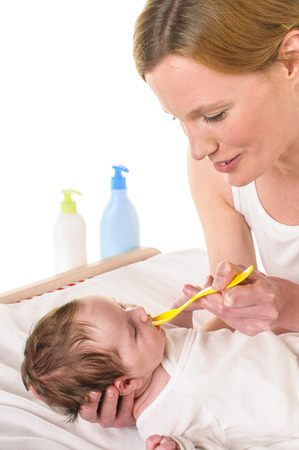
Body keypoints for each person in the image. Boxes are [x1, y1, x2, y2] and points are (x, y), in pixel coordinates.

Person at [82, 0, 299, 434]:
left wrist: (286, 303)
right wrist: (157, 386)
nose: (199, 148)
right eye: (180, 120)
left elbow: (278, 311)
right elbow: (233, 321)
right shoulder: (217, 171)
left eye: (214, 115)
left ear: (291, 61)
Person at [22, 295, 299, 449]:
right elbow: (206, 442)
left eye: (122, 306)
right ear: (128, 382)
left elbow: (184, 340)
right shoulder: (163, 417)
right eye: (131, 328)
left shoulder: (152, 349)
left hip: (289, 349)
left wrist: (185, 307)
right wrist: (176, 446)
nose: (140, 312)